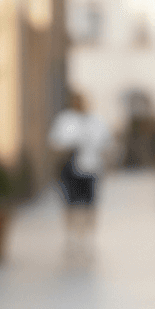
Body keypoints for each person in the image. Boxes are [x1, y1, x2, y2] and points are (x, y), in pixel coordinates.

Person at [48, 90, 112, 247]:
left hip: (91, 167)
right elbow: (55, 142)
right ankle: (72, 233)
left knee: (89, 203)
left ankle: (87, 233)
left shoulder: (95, 121)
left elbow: (106, 142)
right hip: (70, 166)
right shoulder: (65, 120)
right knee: (71, 202)